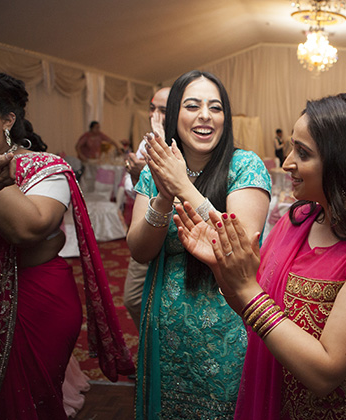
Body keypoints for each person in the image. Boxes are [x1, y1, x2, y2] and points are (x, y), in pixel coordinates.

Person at [174, 93, 346, 419]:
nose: (287, 163)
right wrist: (226, 268)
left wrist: (247, 289)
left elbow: (325, 373)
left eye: (303, 153)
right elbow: (253, 311)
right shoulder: (301, 218)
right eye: (292, 146)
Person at [0, 72, 134, 419]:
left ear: (8, 120)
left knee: (29, 401)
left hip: (37, 301)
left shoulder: (44, 167)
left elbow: (28, 228)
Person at [126, 70, 271, 419]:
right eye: (193, 106)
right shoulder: (153, 171)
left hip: (229, 323)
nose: (205, 115)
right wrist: (162, 197)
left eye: (215, 107)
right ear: (175, 114)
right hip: (166, 326)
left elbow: (237, 248)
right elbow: (140, 251)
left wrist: (182, 187)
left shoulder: (245, 165)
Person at [122, 86, 170, 331]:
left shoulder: (193, 142)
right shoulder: (146, 142)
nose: (155, 115)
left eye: (162, 110)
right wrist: (136, 175)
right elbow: (132, 191)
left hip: (179, 233)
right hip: (148, 224)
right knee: (132, 298)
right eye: (152, 108)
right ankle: (151, 342)